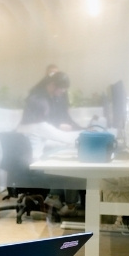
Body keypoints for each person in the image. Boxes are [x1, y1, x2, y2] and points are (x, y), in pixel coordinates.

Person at [17, 70, 85, 214]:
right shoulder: (40, 125)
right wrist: (89, 132)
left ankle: (54, 199)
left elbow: (49, 140)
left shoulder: (25, 125)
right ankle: (70, 206)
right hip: (34, 166)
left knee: (59, 155)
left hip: (27, 163)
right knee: (70, 168)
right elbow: (68, 138)